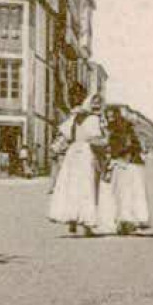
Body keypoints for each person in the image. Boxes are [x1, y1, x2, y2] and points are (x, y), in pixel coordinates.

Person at [46, 91, 108, 236]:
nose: (97, 107)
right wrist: (105, 142)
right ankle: (86, 224)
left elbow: (64, 136)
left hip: (73, 153)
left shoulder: (73, 119)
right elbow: (96, 140)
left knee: (71, 186)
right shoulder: (93, 120)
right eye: (95, 104)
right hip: (86, 153)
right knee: (87, 187)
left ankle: (72, 220)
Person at [103, 107, 150, 236]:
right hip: (122, 163)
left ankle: (126, 222)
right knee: (122, 194)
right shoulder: (115, 129)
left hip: (126, 164)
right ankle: (124, 222)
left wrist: (118, 156)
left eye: (112, 116)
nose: (110, 119)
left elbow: (129, 147)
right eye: (108, 117)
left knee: (124, 194)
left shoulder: (122, 130)